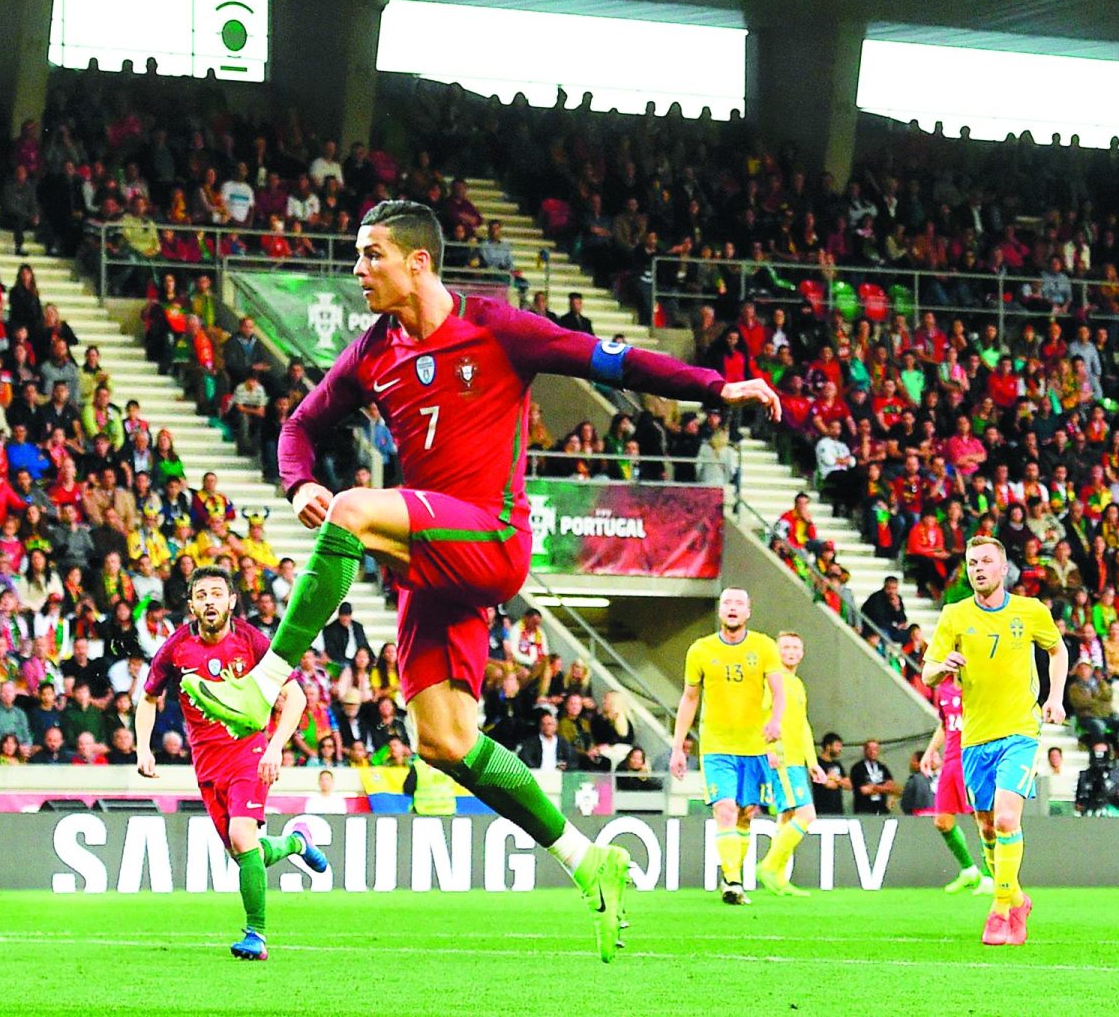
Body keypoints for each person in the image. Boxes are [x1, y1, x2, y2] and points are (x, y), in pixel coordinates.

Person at [182, 200, 777, 960]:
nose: (358, 271)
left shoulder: (499, 328)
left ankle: (263, 682)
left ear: (416, 262)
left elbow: (611, 358)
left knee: (358, 509)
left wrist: (711, 387)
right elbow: (298, 426)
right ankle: (588, 861)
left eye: (371, 256)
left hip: (492, 538)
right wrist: (298, 482)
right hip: (434, 569)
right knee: (445, 740)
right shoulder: (373, 350)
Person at [135, 566, 328, 961]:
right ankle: (296, 842)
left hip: (249, 754)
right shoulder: (175, 649)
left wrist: (274, 747)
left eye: (216, 594)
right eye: (201, 595)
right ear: (190, 605)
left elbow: (295, 697)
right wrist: (143, 747)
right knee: (246, 851)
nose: (210, 601)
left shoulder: (252, 642)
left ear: (231, 600)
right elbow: (148, 699)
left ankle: (256, 935)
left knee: (243, 838)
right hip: (206, 765)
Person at [921, 535, 1066, 947]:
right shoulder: (954, 615)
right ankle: (1017, 898)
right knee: (986, 826)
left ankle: (999, 911)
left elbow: (1057, 652)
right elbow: (929, 670)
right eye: (972, 562)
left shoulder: (1030, 610)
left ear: (1003, 569)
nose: (978, 568)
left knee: (1005, 819)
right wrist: (941, 666)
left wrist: (1054, 697)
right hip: (974, 737)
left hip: (1020, 730)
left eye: (986, 561)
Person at [669, 588, 786, 906]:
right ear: (720, 611)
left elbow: (779, 691)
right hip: (716, 746)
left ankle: (730, 873)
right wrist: (678, 746)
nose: (732, 608)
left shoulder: (763, 646)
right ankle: (733, 881)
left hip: (754, 747)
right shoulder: (700, 650)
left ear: (748, 611)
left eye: (739, 603)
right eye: (727, 603)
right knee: (725, 809)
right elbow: (690, 698)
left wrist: (775, 721)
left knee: (747, 814)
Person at [755, 632, 824, 896]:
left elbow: (803, 724)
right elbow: (760, 716)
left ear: (802, 653)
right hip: (781, 756)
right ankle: (769, 866)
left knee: (786, 818)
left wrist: (812, 761)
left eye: (796, 647)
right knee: (806, 815)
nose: (791, 651)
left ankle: (780, 879)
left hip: (796, 758)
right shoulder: (772, 682)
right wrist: (767, 748)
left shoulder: (797, 684)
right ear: (776, 651)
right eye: (786, 647)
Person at [918, 672, 995, 897]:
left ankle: (991, 877)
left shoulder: (979, 686)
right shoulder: (945, 688)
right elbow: (945, 724)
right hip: (951, 762)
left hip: (973, 758)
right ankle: (970, 870)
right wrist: (930, 751)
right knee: (942, 821)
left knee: (983, 821)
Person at [849, 738, 898, 815]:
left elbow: (892, 788)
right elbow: (864, 790)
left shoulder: (882, 767)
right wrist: (883, 788)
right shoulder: (857, 768)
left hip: (882, 810)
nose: (873, 752)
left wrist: (874, 787)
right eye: (870, 749)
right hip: (864, 810)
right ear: (865, 751)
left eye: (875, 749)